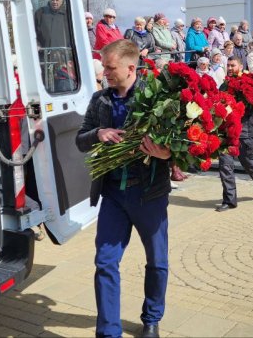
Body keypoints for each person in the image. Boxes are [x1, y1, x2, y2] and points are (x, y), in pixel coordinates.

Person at [75, 40, 172, 338]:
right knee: (105, 262)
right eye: (104, 66)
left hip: (149, 194)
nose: (105, 72)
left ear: (131, 67)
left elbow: (175, 149)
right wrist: (98, 133)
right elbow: (80, 139)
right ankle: (107, 332)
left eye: (110, 67)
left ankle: (152, 318)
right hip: (113, 195)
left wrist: (164, 153)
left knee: (157, 261)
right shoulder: (99, 100)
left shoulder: (157, 97)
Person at [216, 57, 253, 212]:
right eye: (228, 65)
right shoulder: (224, 85)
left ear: (241, 66)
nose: (230, 68)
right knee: (225, 165)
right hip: (227, 132)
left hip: (245, 130)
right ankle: (229, 200)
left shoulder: (250, 82)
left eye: (233, 65)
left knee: (248, 163)